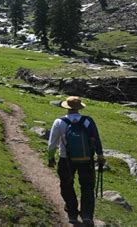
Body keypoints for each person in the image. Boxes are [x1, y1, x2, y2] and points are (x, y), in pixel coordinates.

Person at [47, 96, 105, 226]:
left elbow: (52, 144)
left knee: (66, 184)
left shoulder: (59, 122)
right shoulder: (88, 121)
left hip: (65, 159)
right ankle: (87, 216)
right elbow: (96, 139)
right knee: (87, 187)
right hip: (86, 159)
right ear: (79, 108)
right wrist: (100, 156)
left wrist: (50, 158)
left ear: (67, 107)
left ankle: (72, 212)